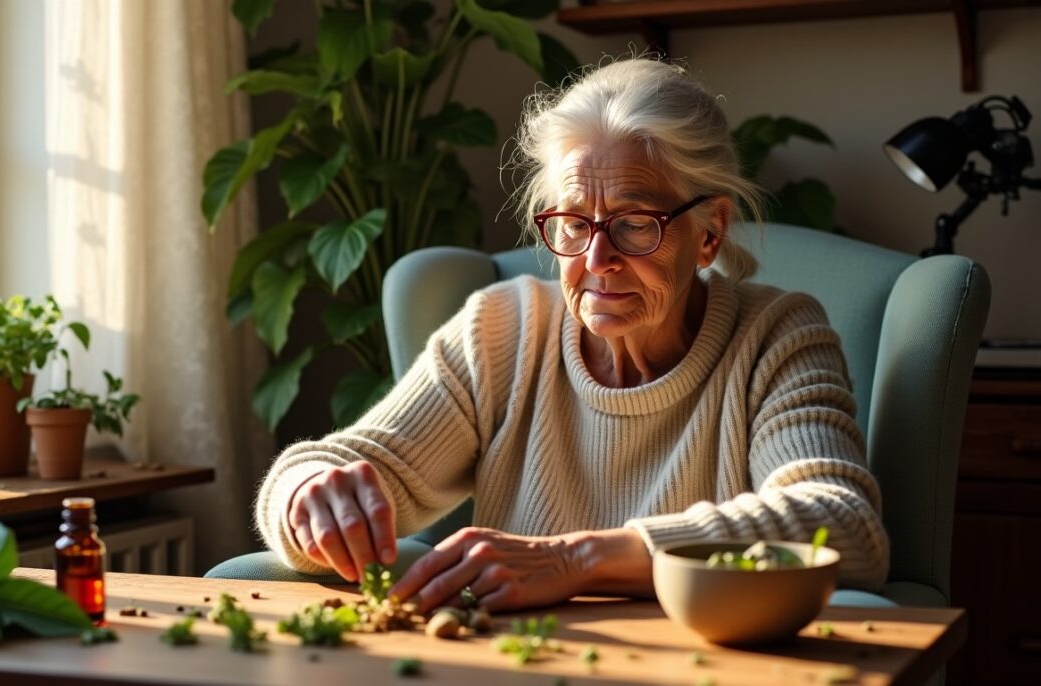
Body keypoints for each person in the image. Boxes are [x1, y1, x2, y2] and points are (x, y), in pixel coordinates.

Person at [253, 57, 889, 613]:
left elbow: (843, 525)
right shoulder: (503, 330)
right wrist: (306, 493)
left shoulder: (776, 338)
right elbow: (352, 465)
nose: (597, 259)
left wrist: (574, 560)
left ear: (711, 232)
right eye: (572, 223)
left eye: (635, 224)